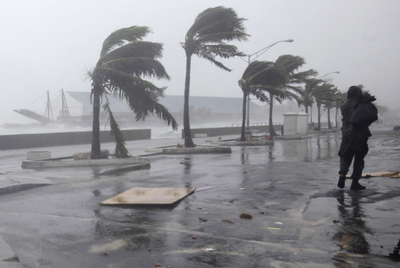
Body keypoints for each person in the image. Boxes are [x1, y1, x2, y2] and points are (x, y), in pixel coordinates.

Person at [337, 86, 378, 190]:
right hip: (360, 134)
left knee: (345, 155)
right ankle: (355, 181)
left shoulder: (344, 106)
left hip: (346, 134)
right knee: (359, 157)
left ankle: (342, 174)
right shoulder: (361, 105)